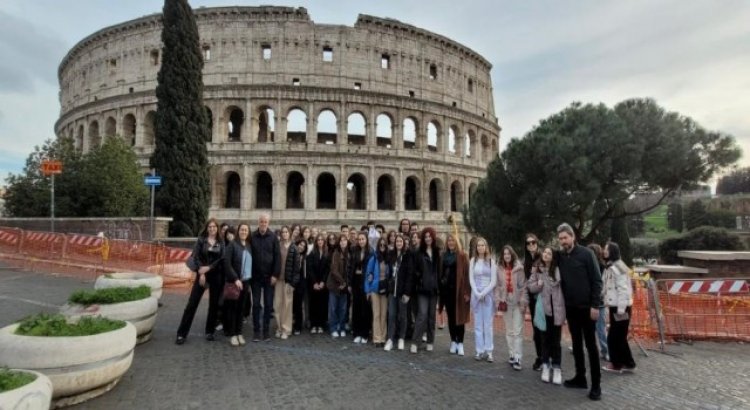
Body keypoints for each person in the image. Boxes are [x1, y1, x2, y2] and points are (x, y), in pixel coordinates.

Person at [557, 223, 603, 401]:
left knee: (591, 347)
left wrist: (595, 305)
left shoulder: (587, 254)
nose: (563, 242)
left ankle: (596, 385)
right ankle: (580, 377)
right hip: (571, 309)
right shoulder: (560, 257)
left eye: (565, 238)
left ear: (572, 237)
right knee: (576, 345)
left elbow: (597, 281)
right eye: (560, 239)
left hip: (587, 309)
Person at [176, 218, 225, 344]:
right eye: (210, 227)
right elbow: (195, 256)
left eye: (214, 227)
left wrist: (208, 268)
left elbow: (221, 259)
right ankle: (182, 334)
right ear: (207, 228)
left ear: (217, 228)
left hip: (215, 275)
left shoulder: (221, 241)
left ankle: (210, 332)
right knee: (192, 304)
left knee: (214, 305)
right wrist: (200, 272)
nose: (212, 229)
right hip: (201, 275)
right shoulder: (201, 240)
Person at [527, 246, 566, 385]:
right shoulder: (538, 269)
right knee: (544, 340)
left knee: (556, 341)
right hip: (543, 311)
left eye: (549, 253)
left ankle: (556, 367)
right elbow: (530, 286)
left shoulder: (559, 270)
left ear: (553, 256)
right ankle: (545, 365)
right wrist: (538, 284)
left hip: (557, 310)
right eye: (545, 252)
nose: (546, 254)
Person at [602, 242, 636, 373]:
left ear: (612, 251)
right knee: (620, 336)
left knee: (614, 337)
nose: (604, 251)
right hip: (617, 306)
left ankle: (616, 364)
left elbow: (623, 289)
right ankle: (628, 363)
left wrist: (621, 309)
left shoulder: (618, 267)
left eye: (606, 249)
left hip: (620, 307)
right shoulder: (613, 266)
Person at [250, 213, 281, 342]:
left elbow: (277, 258)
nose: (263, 224)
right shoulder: (252, 237)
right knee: (256, 304)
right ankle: (256, 331)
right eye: (261, 221)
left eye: (265, 222)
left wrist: (275, 275)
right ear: (258, 222)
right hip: (255, 277)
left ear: (269, 223)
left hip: (269, 277)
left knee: (268, 304)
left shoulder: (273, 237)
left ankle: (266, 331)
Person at [410, 227, 441, 353]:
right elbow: (415, 270)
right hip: (422, 289)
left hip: (433, 289)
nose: (428, 238)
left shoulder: (437, 252)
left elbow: (439, 270)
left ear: (433, 238)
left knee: (431, 316)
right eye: (426, 236)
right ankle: (415, 342)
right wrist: (419, 280)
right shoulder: (419, 252)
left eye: (430, 236)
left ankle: (430, 340)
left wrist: (439, 284)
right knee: (422, 315)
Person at [440, 234, 471, 356]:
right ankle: (453, 340)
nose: (451, 242)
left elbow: (467, 275)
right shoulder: (444, 256)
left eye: (453, 240)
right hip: (447, 291)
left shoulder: (463, 256)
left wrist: (467, 292)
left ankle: (461, 343)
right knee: (451, 317)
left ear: (457, 242)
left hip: (459, 291)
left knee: (460, 318)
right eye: (449, 241)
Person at [497, 245, 526, 370]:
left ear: (512, 254)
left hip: (517, 302)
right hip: (506, 302)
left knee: (517, 331)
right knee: (509, 330)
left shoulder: (519, 269)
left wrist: (523, 300)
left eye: (509, 253)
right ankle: (512, 354)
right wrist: (499, 298)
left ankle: (518, 357)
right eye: (505, 254)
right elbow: (497, 286)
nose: (507, 256)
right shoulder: (499, 269)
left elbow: (523, 286)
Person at [223, 223, 252, 346]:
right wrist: (235, 279)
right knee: (233, 309)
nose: (244, 232)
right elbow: (227, 264)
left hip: (245, 282)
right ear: (238, 231)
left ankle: (239, 332)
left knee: (241, 309)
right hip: (235, 282)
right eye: (242, 230)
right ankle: (232, 334)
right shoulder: (232, 245)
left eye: (246, 230)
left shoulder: (249, 246)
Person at [469, 237, 497, 362]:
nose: (480, 247)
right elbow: (471, 279)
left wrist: (484, 293)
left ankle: (489, 351)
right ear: (476, 248)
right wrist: (476, 292)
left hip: (487, 296)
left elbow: (493, 281)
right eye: (478, 245)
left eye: (482, 245)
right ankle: (479, 350)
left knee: (488, 324)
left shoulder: (491, 262)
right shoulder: (473, 261)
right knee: (478, 324)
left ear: (486, 247)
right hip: (476, 295)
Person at [384, 234, 409, 351]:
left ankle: (401, 338)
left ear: (403, 243)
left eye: (400, 241)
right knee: (392, 315)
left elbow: (410, 275)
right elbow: (388, 271)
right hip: (392, 290)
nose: (398, 243)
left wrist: (407, 292)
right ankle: (390, 339)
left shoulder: (407, 256)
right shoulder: (391, 255)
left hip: (402, 291)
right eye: (397, 241)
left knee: (402, 316)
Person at [524, 234, 544, 371]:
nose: (531, 245)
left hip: (542, 299)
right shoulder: (526, 260)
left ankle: (546, 357)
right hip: (532, 299)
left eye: (533, 242)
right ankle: (540, 356)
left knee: (543, 329)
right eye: (528, 243)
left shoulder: (542, 258)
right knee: (536, 329)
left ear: (537, 243)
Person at [350, 231, 373, 344]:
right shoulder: (355, 251)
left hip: (366, 283)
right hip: (356, 282)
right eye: (359, 239)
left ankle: (365, 333)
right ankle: (356, 332)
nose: (361, 241)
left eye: (363, 239)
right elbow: (351, 267)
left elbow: (372, 269)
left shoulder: (371, 252)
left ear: (367, 240)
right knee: (356, 308)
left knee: (366, 309)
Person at [588, 243, 609, 363]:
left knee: (600, 328)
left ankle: (605, 350)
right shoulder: (593, 265)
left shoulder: (600, 266)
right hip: (591, 301)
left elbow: (599, 284)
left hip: (598, 302)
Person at [366, 237, 389, 347]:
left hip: (385, 289)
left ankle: (383, 337)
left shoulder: (389, 258)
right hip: (375, 288)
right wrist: (368, 290)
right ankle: (377, 338)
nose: (383, 247)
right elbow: (368, 274)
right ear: (378, 246)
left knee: (384, 314)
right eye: (381, 245)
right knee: (376, 314)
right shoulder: (373, 258)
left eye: (384, 245)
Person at [275, 226, 296, 339]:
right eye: (282, 232)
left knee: (287, 306)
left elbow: (296, 268)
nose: (284, 234)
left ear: (290, 233)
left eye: (286, 232)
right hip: (278, 279)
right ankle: (278, 327)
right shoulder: (278, 246)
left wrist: (293, 283)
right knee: (277, 304)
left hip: (288, 280)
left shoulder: (294, 247)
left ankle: (286, 329)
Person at [328, 234, 350, 337]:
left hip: (344, 286)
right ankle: (333, 327)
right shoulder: (336, 253)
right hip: (335, 285)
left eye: (345, 241)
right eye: (341, 241)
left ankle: (341, 327)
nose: (343, 242)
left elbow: (349, 270)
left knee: (343, 308)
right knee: (333, 308)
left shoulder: (349, 253)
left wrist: (345, 283)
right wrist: (342, 282)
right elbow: (334, 270)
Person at [307, 234, 329, 334]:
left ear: (324, 242)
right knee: (313, 304)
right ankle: (314, 324)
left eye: (321, 240)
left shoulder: (327, 253)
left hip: (323, 284)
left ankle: (321, 324)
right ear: (316, 242)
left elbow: (327, 269)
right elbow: (310, 269)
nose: (320, 241)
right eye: (318, 240)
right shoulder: (312, 253)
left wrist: (323, 282)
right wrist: (314, 282)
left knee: (322, 305)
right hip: (314, 283)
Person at [292, 238, 307, 335]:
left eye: (303, 246)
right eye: (300, 244)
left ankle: (298, 326)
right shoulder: (292, 254)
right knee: (291, 305)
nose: (301, 247)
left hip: (300, 284)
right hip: (291, 283)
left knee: (298, 305)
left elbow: (305, 273)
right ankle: (292, 323)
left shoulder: (305, 258)